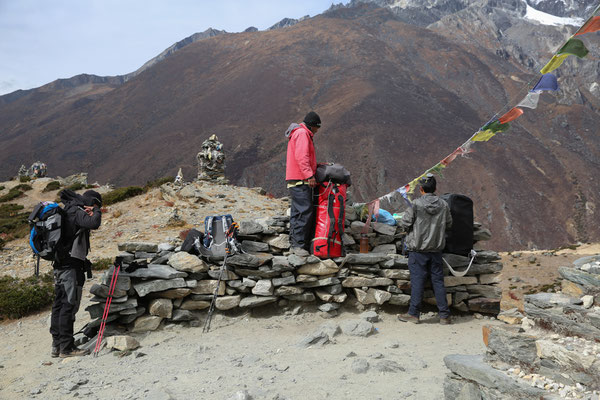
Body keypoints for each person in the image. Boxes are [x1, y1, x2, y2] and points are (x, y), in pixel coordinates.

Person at [50, 189, 103, 357]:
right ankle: (67, 348)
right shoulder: (77, 211)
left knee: (59, 305)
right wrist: (97, 211)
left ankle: (57, 346)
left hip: (60, 264)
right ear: (92, 202)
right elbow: (94, 223)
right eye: (95, 205)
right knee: (68, 305)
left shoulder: (69, 209)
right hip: (71, 265)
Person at [397, 174, 453, 324]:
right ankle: (444, 315)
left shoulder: (415, 204)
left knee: (418, 281)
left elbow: (405, 223)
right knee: (438, 281)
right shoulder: (443, 205)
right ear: (435, 189)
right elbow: (449, 224)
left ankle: (414, 314)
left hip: (418, 250)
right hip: (436, 250)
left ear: (421, 189)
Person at [285, 111, 321, 256]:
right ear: (313, 126)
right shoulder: (302, 134)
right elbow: (302, 156)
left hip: (295, 178)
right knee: (305, 211)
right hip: (300, 179)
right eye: (318, 128)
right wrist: (309, 175)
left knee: (297, 211)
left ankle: (295, 244)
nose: (317, 131)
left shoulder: (299, 132)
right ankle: (299, 246)